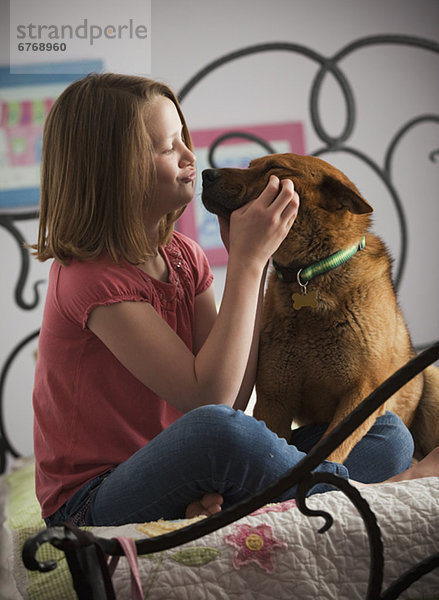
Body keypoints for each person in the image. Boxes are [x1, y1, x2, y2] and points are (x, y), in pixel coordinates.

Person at [32, 73, 439, 528]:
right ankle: (373, 494)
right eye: (168, 147)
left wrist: (259, 262)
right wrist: (247, 262)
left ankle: (255, 498)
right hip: (93, 499)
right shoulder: (90, 278)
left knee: (386, 434)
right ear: (110, 168)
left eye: (183, 139)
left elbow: (234, 393)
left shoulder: (184, 257)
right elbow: (208, 401)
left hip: (189, 474)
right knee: (214, 432)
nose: (190, 156)